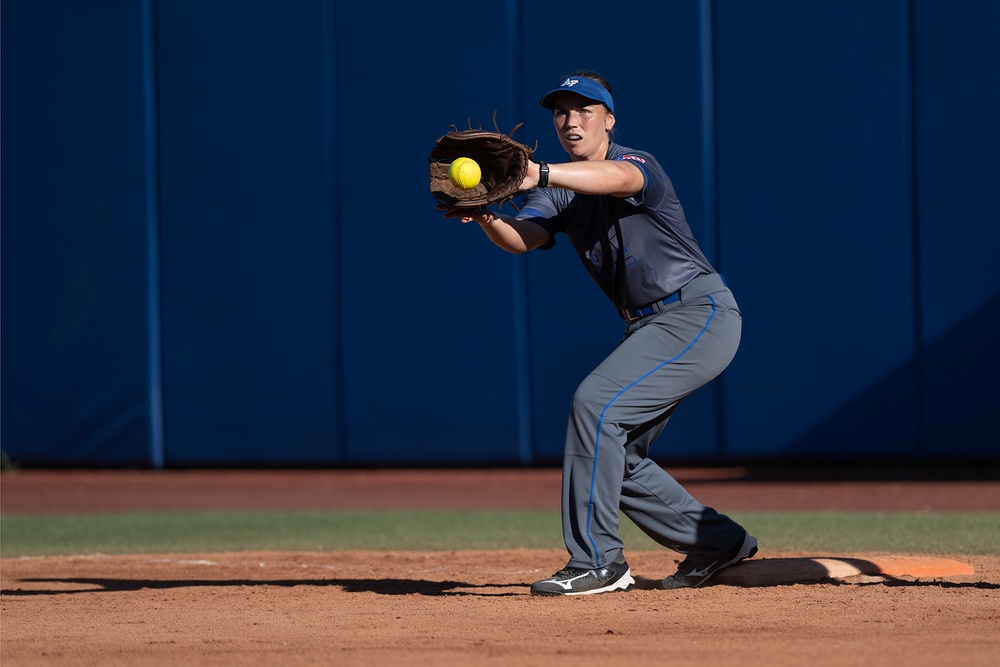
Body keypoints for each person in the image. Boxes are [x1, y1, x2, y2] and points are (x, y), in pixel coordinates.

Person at [449, 71, 757, 595]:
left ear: (609, 121)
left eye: (585, 110)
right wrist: (483, 215)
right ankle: (718, 542)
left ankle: (598, 561)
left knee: (594, 405)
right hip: (647, 326)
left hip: (696, 313)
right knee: (616, 451)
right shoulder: (561, 192)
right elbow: (522, 238)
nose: (571, 120)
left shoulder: (635, 164)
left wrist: (541, 173)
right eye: (562, 112)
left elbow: (614, 180)